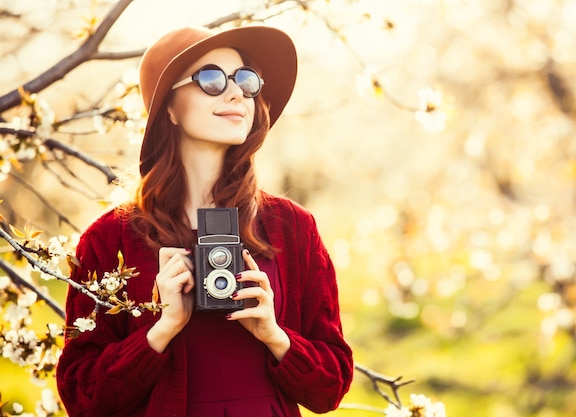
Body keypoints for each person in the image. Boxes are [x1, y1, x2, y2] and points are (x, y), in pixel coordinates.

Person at [56, 25, 353, 417]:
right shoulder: (110, 239)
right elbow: (82, 397)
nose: (236, 93)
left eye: (247, 80)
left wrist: (275, 335)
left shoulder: (293, 228)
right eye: (211, 79)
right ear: (169, 108)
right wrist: (161, 329)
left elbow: (330, 388)